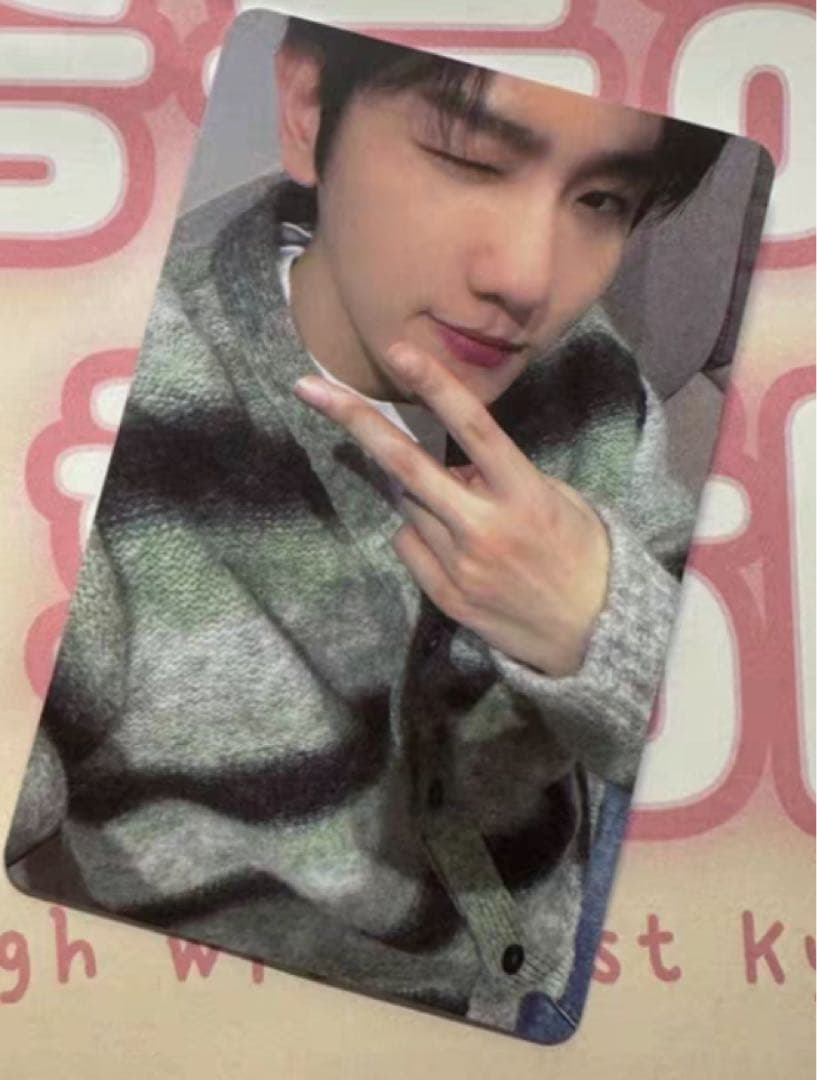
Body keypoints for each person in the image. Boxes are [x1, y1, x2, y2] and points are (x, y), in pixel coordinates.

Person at [6, 17, 727, 1041]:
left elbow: (713, 723)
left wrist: (602, 622)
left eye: (600, 198)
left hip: (571, 919)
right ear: (308, 109)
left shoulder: (589, 376)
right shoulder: (106, 427)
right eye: (470, 158)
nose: (529, 277)